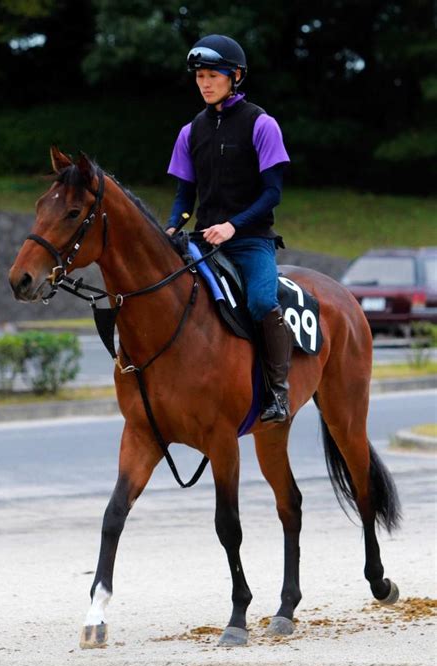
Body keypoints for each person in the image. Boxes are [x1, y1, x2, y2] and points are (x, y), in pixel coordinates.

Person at [166, 34, 293, 423]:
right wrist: (173, 226)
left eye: (213, 75)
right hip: (204, 240)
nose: (204, 83)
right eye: (200, 76)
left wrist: (234, 227)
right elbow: (185, 196)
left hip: (252, 241)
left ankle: (277, 393)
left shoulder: (262, 124)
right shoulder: (190, 132)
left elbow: (272, 194)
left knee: (258, 302)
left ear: (235, 76)